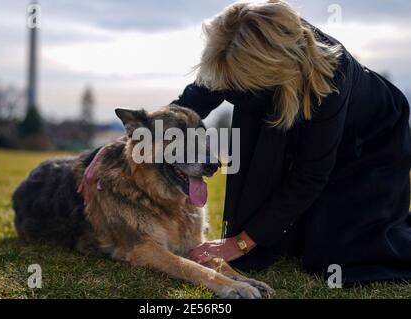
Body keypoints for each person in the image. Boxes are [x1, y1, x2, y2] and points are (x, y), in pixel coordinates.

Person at [172, 0, 411, 283]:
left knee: (340, 256)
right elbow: (188, 106)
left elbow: (310, 174)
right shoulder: (231, 44)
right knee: (286, 241)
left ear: (269, 69)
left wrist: (239, 243)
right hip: (300, 111)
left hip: (371, 136)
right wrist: (134, 140)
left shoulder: (330, 78)